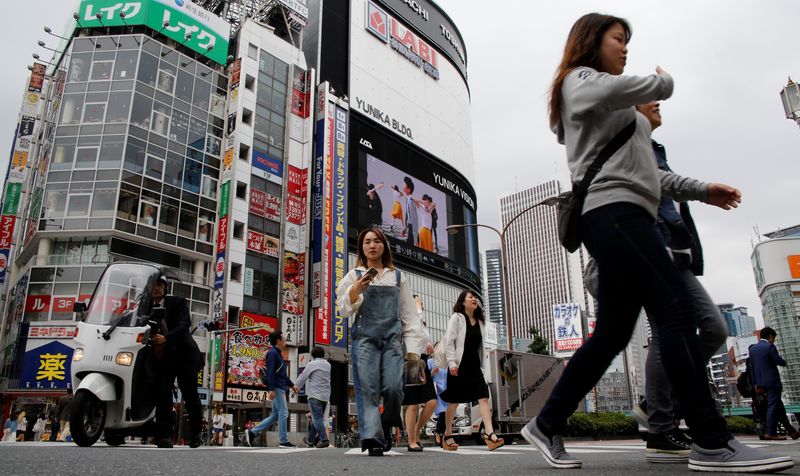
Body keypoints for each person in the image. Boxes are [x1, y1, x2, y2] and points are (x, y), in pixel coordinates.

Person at [522, 12, 793, 473]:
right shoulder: (578, 80)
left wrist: (702, 189)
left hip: (625, 216)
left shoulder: (615, 107)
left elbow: (650, 171)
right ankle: (710, 440)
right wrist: (661, 83)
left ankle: (546, 423)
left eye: (627, 41)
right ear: (593, 40)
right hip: (615, 215)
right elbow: (616, 92)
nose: (625, 47)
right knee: (675, 311)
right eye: (618, 38)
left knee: (611, 335)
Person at [630, 101, 730, 463]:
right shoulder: (629, 140)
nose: (658, 104)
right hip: (654, 251)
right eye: (650, 97)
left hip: (675, 252)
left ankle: (658, 406)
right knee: (675, 332)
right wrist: (703, 190)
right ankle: (660, 424)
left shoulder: (653, 147)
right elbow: (658, 184)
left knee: (713, 329)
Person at [335, 227, 425, 456]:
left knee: (394, 388)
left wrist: (413, 352)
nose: (372, 245)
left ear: (384, 246)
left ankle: (386, 421)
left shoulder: (398, 276)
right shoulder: (354, 275)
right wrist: (355, 290)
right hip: (364, 339)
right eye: (367, 242)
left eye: (376, 241)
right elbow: (343, 309)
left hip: (393, 340)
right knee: (368, 388)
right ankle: (373, 438)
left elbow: (410, 315)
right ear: (362, 248)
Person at [441, 290, 503, 451]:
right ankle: (447, 434)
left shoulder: (481, 322)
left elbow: (482, 348)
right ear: (463, 302)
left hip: (475, 367)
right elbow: (449, 342)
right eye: (471, 297)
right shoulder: (457, 318)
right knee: (453, 402)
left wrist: (484, 367)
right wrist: (452, 363)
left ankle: (490, 434)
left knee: (483, 398)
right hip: (458, 366)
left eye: (475, 297)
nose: (474, 299)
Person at [149, 274, 204, 449]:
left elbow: (184, 324)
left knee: (190, 396)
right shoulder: (144, 307)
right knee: (162, 394)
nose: (157, 288)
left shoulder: (178, 302)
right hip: (163, 357)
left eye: (161, 285)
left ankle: (196, 434)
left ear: (165, 288)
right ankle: (164, 436)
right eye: (154, 285)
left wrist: (165, 338)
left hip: (185, 354)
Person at [244, 331, 299, 448]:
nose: (285, 342)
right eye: (284, 340)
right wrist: (271, 389)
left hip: (280, 386)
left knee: (275, 415)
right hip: (277, 387)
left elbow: (282, 375)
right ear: (278, 341)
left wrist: (292, 385)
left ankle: (252, 432)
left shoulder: (277, 354)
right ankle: (283, 441)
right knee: (284, 413)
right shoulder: (273, 353)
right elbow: (269, 373)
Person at [749, 327, 799, 441]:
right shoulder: (769, 346)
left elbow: (752, 368)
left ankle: (792, 432)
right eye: (774, 338)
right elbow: (777, 360)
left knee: (778, 406)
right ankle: (769, 432)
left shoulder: (753, 349)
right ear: (771, 336)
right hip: (772, 382)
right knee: (772, 406)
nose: (774, 340)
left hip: (760, 383)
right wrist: (785, 362)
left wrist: (756, 384)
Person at [402, 295, 437, 452]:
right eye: (419, 301)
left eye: (421, 303)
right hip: (411, 359)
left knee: (431, 402)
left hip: (423, 361)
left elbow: (422, 340)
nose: (421, 304)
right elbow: (412, 334)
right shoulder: (409, 317)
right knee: (413, 404)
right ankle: (411, 440)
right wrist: (417, 308)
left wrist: (430, 349)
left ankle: (416, 431)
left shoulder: (422, 322)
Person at [294, 346, 332, 448]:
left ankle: (324, 440)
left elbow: (303, 377)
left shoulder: (312, 364)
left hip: (315, 395)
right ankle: (310, 441)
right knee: (317, 419)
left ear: (313, 354)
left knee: (317, 419)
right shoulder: (328, 365)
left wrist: (294, 388)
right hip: (325, 396)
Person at [427, 342, 448, 446]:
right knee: (443, 413)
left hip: (448, 392)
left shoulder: (447, 362)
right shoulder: (430, 362)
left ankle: (443, 436)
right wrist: (432, 373)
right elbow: (426, 379)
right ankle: (438, 432)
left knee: (448, 415)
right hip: (437, 392)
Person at [402, 177, 419, 246]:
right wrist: (406, 227)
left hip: (412, 228)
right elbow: (407, 214)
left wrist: (415, 238)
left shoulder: (411, 200)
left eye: (404, 185)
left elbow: (414, 219)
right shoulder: (408, 199)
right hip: (410, 227)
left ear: (409, 189)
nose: (403, 187)